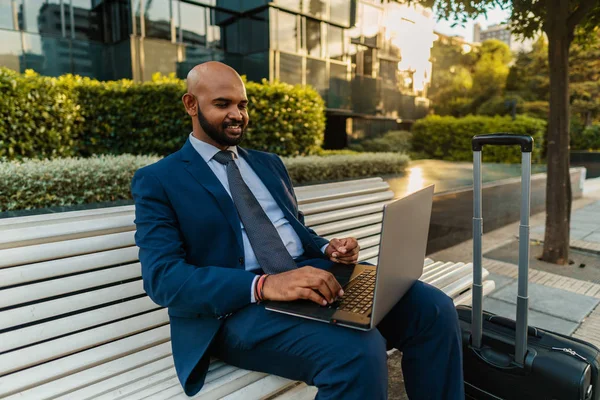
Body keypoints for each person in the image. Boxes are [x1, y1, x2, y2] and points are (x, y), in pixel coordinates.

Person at [131, 61, 464, 400]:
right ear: (191, 105)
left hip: (309, 279)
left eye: (242, 105)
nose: (237, 114)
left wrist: (326, 249)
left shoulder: (267, 163)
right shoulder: (159, 180)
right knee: (359, 352)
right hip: (236, 310)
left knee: (434, 309)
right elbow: (163, 278)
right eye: (222, 104)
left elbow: (294, 231)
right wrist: (265, 284)